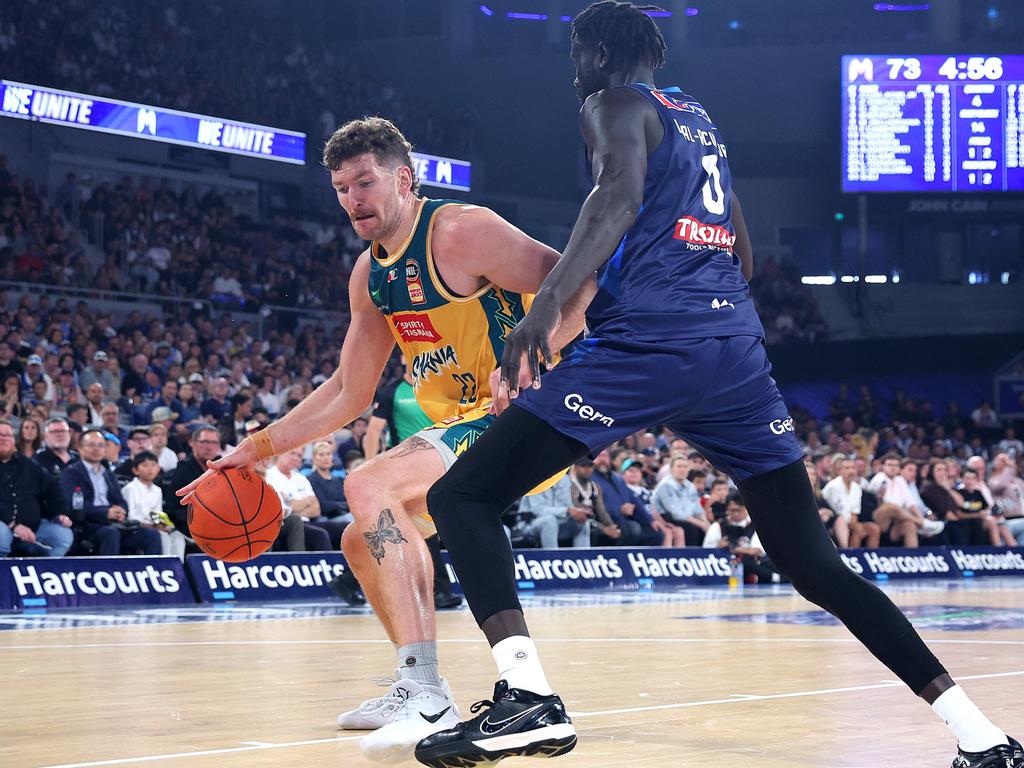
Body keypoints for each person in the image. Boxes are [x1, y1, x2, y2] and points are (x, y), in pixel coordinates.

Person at [418, 5, 1022, 766]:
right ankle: (982, 734)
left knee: (462, 496)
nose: (572, 68)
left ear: (601, 50)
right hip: (732, 354)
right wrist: (716, 319)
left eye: (576, 51)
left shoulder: (611, 104)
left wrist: (544, 309)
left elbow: (613, 197)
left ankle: (528, 700)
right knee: (814, 564)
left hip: (651, 343)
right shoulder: (697, 119)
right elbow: (736, 228)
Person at [176, 115, 592, 761]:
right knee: (358, 536)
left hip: (527, 414)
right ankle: (418, 685)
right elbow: (349, 393)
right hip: (460, 424)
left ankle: (426, 696)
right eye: (341, 188)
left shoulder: (461, 230)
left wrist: (533, 353)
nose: (352, 200)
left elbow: (581, 283)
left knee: (367, 481)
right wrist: (255, 449)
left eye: (364, 182)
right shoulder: (370, 276)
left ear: (402, 177)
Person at [60, 428, 162, 556]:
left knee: (151, 535)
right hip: (87, 526)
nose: (96, 449)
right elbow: (75, 506)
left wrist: (121, 510)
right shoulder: (71, 473)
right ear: (80, 448)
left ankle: (153, 574)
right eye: (91, 445)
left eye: (101, 445)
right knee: (110, 534)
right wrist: (105, 513)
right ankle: (109, 573)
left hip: (115, 524)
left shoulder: (108, 474)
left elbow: (120, 501)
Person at [0, 419, 75, 558]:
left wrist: (59, 514)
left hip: (33, 525)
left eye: (7, 435)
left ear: (13, 439)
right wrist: (14, 525)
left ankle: (43, 575)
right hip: (4, 524)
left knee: (62, 536)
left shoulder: (27, 464)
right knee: (1, 537)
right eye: (0, 435)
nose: (3, 439)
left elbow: (53, 488)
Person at [122, 451, 185, 560]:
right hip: (135, 529)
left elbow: (158, 513)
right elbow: (131, 518)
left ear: (158, 468)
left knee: (178, 537)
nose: (150, 469)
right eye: (145, 465)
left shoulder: (157, 490)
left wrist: (162, 524)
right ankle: (163, 570)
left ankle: (177, 569)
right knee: (163, 537)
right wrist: (153, 526)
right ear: (135, 470)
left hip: (154, 527)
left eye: (153, 465)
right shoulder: (130, 489)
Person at [822, 456, 880, 548]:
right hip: (833, 523)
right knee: (858, 529)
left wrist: (854, 524)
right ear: (839, 471)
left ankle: (871, 557)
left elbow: (854, 513)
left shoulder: (857, 488)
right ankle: (852, 555)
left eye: (853, 468)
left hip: (851, 522)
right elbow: (834, 512)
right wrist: (855, 525)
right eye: (847, 468)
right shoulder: (832, 487)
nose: (851, 471)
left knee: (874, 528)